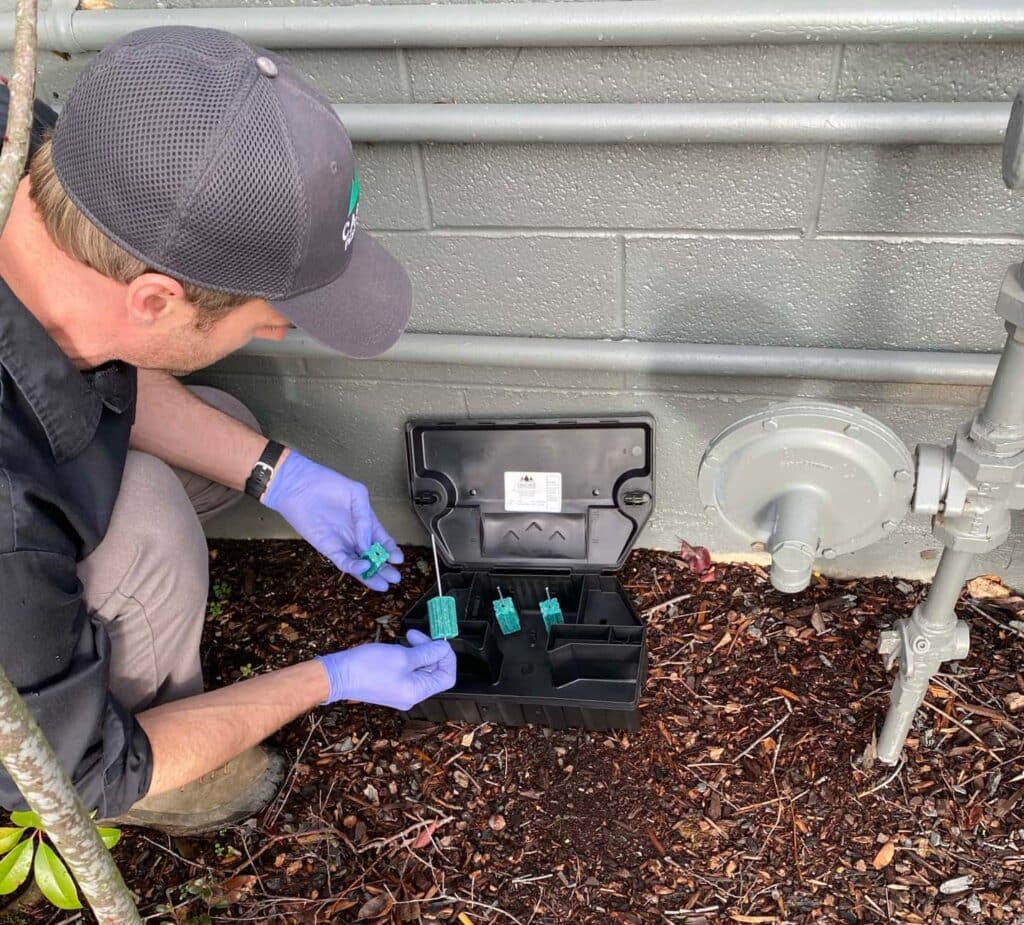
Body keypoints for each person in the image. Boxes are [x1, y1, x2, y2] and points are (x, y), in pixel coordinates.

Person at [0, 25, 457, 835]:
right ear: (154, 299)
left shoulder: (32, 147)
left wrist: (282, 475)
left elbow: (103, 371)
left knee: (228, 435)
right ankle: (170, 777)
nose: (280, 334)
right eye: (269, 317)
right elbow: (71, 775)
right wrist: (331, 677)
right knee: (149, 525)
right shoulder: (9, 516)